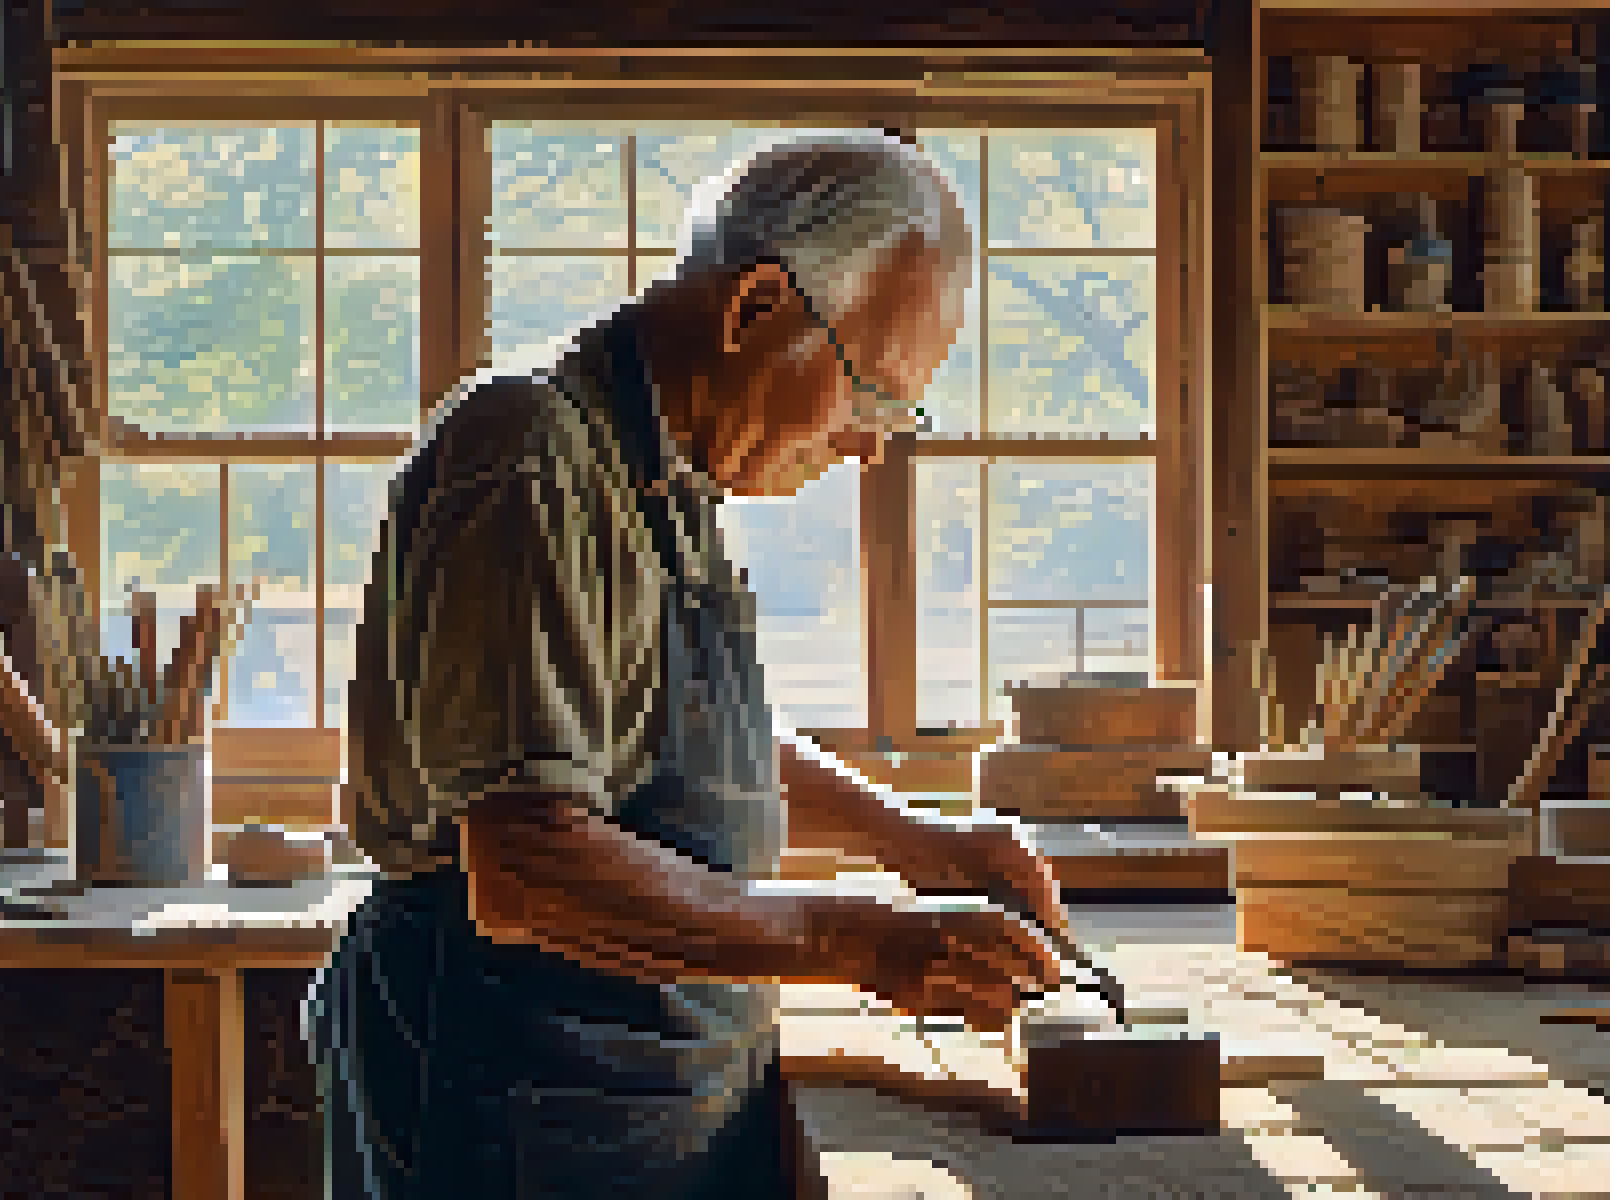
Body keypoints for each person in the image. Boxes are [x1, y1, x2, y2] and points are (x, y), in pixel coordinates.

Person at [308, 132, 1073, 1199]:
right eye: (870, 393)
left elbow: (690, 742)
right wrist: (860, 943)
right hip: (522, 1068)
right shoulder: (531, 452)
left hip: (653, 1064)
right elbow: (526, 867)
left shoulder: (672, 473)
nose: (871, 446)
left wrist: (915, 839)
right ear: (756, 307)